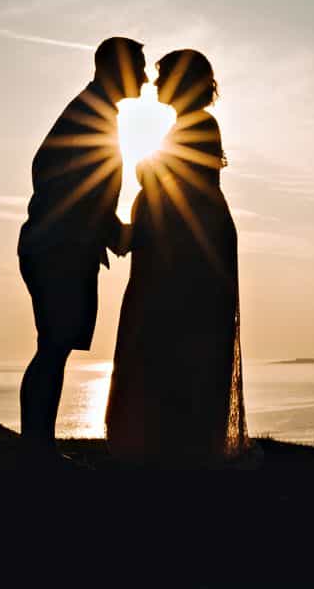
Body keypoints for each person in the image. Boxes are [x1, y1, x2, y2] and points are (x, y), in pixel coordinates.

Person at [105, 48, 248, 465]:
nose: (155, 83)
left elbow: (172, 181)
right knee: (161, 337)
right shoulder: (188, 126)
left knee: (179, 338)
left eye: (164, 76)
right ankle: (161, 440)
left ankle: (176, 443)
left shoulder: (201, 126)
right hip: (177, 245)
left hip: (189, 252)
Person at [17, 36, 147, 456]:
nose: (146, 78)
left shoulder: (92, 112)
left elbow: (72, 180)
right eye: (139, 68)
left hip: (58, 246)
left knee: (53, 349)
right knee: (52, 349)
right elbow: (72, 181)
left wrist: (105, 229)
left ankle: (38, 446)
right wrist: (109, 230)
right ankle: (37, 449)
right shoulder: (91, 115)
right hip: (57, 250)